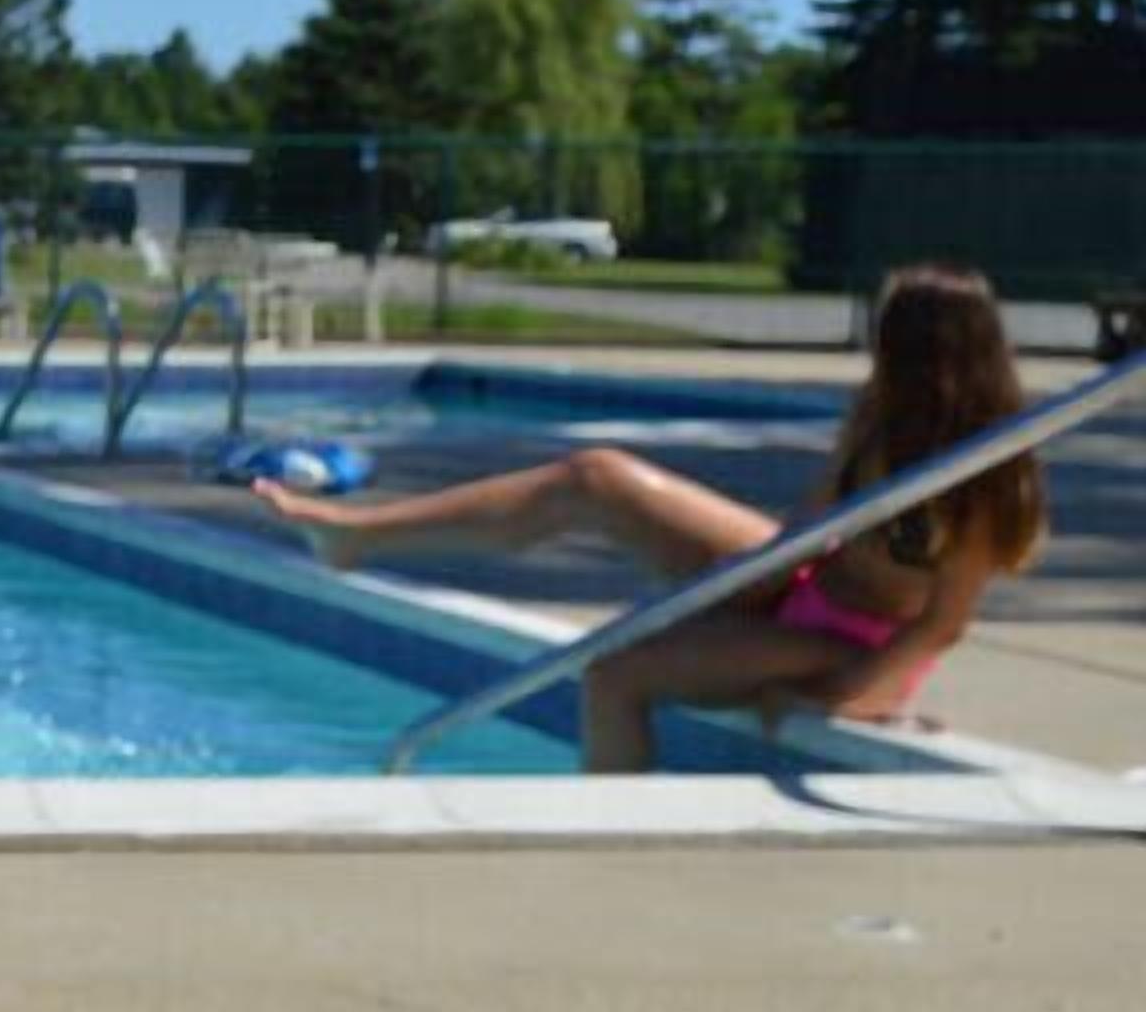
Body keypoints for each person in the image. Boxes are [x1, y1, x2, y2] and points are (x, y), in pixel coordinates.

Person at [255, 264, 1047, 772]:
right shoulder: (880, 419)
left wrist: (845, 689)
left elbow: (939, 628)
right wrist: (720, 599)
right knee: (595, 477)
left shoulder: (985, 479)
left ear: (921, 357)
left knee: (614, 675)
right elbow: (808, 532)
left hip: (851, 639)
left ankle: (605, 856)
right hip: (803, 581)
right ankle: (357, 536)